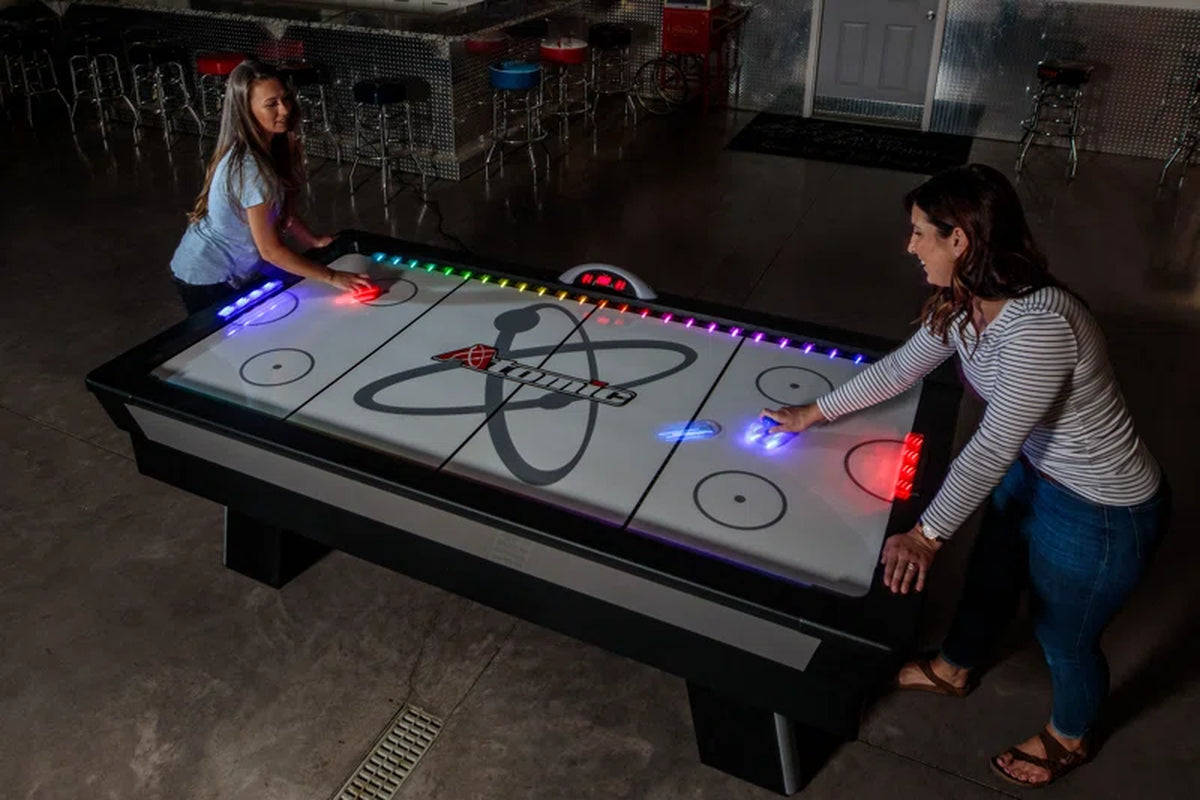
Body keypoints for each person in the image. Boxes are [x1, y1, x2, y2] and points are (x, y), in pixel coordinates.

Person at [761, 164, 1169, 788]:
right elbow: (903, 368)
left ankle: (1071, 735)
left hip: (1100, 506)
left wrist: (925, 536)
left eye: (920, 233)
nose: (909, 246)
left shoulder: (1040, 327)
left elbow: (992, 445)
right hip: (1036, 469)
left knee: (1064, 635)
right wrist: (812, 413)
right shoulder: (967, 302)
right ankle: (955, 668)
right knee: (990, 575)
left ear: (960, 240)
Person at [169, 60, 372, 314]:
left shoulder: (266, 148)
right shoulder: (252, 170)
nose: (284, 109)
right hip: (206, 275)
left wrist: (313, 240)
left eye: (285, 99)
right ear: (247, 111)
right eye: (271, 104)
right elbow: (271, 251)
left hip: (223, 267)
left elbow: (280, 212)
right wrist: (332, 277)